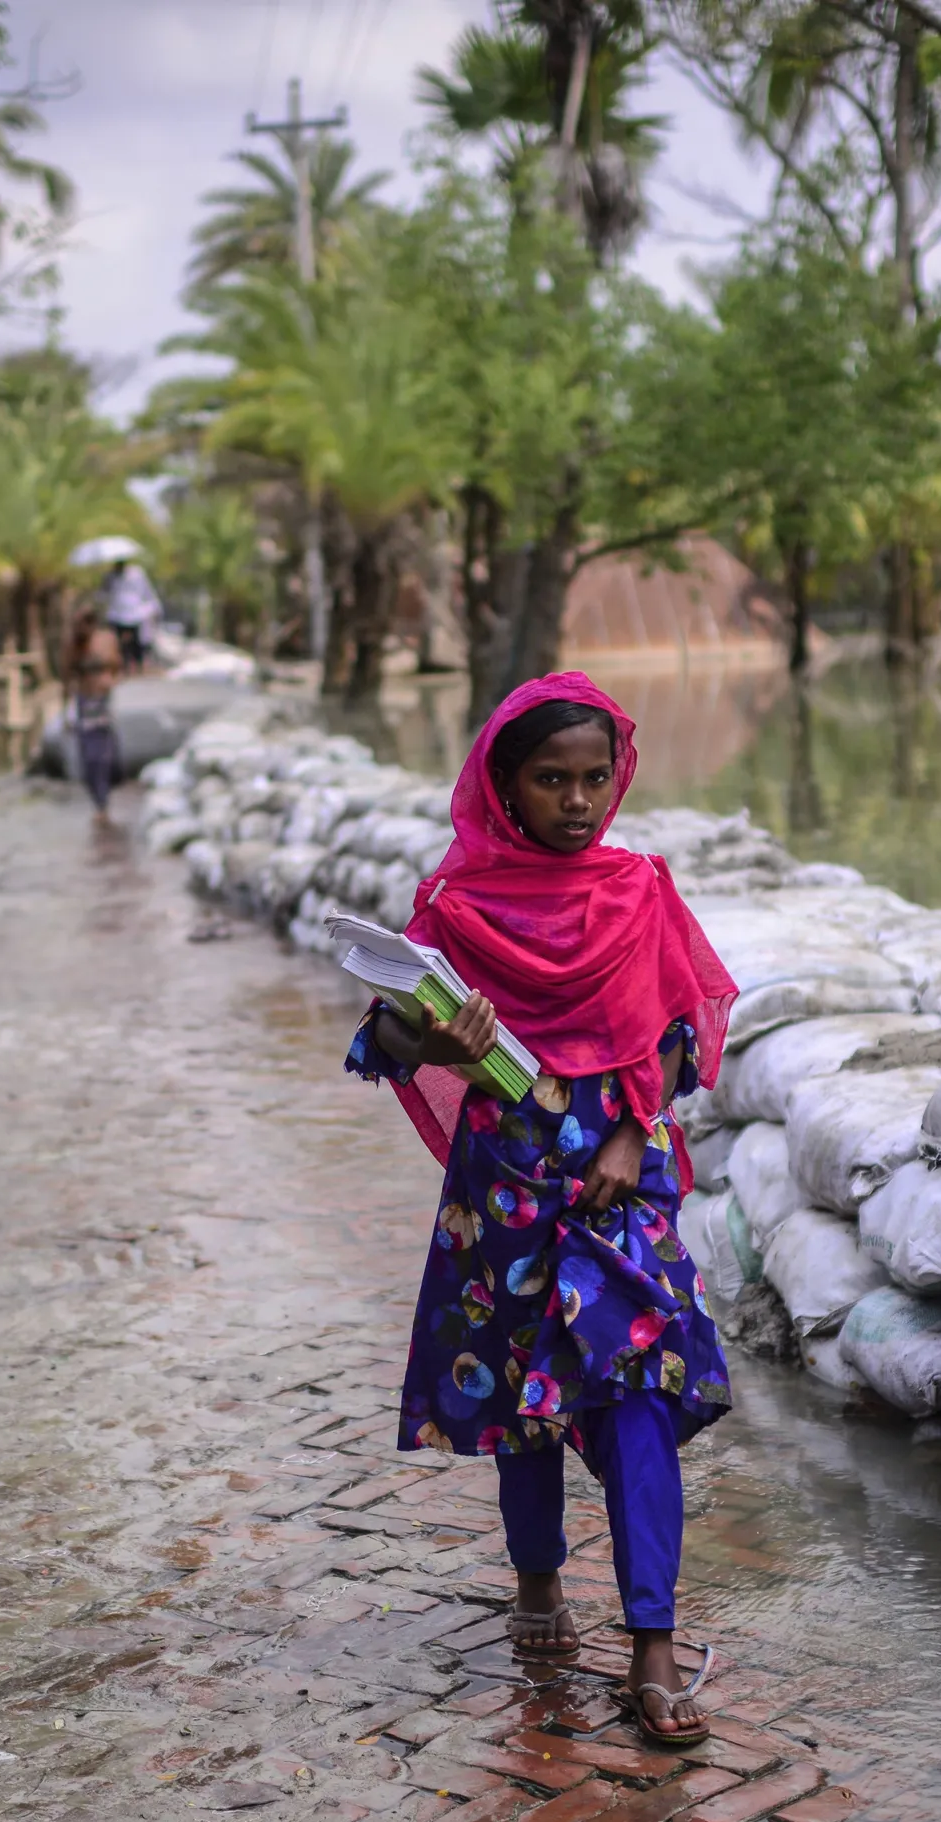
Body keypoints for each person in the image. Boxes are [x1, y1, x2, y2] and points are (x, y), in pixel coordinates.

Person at [343, 672, 740, 1747]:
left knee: (641, 1392)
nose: (575, 799)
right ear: (506, 789)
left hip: (621, 1182)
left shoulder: (641, 890)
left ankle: (652, 1644)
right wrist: (436, 1041)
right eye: (550, 780)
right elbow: (381, 1039)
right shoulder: (458, 909)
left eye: (592, 778)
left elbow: (676, 1037)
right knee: (528, 1400)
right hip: (507, 1188)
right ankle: (537, 1580)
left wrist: (628, 1133)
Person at [64, 613, 123, 821]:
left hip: (102, 703)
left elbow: (116, 665)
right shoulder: (75, 645)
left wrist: (109, 679)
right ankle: (101, 805)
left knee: (108, 757)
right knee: (91, 758)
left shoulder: (105, 641)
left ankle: (105, 796)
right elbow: (67, 674)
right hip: (84, 705)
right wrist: (67, 710)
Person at [103, 560, 162, 672]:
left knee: (136, 642)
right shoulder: (110, 577)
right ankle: (120, 665)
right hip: (116, 614)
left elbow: (146, 591)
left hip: (134, 614)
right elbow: (104, 593)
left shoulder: (137, 573)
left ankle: (137, 665)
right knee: (116, 643)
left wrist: (153, 606)